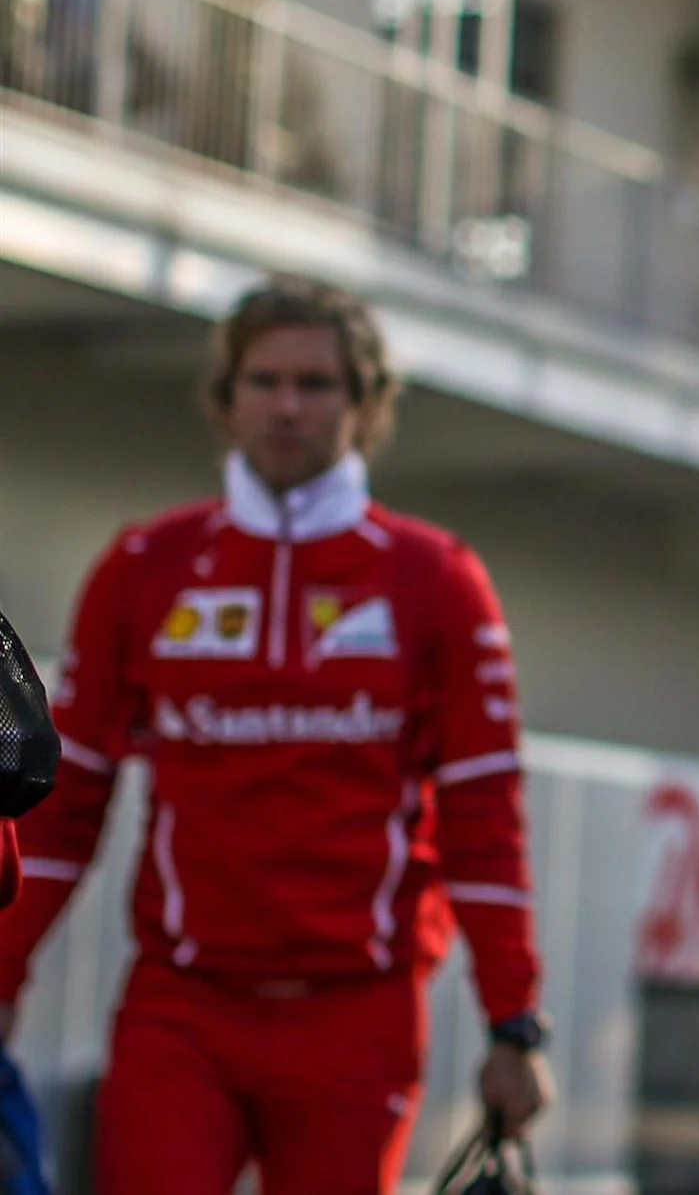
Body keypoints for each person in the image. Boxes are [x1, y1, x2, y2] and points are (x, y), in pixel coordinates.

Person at [0, 278, 551, 1195]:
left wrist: (516, 1024)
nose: (287, 406)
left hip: (359, 1015)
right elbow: (57, 808)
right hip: (181, 1006)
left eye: (317, 383)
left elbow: (484, 820)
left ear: (367, 403)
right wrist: (2, 972)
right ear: (225, 402)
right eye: (263, 381)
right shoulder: (145, 567)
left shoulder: (438, 580)